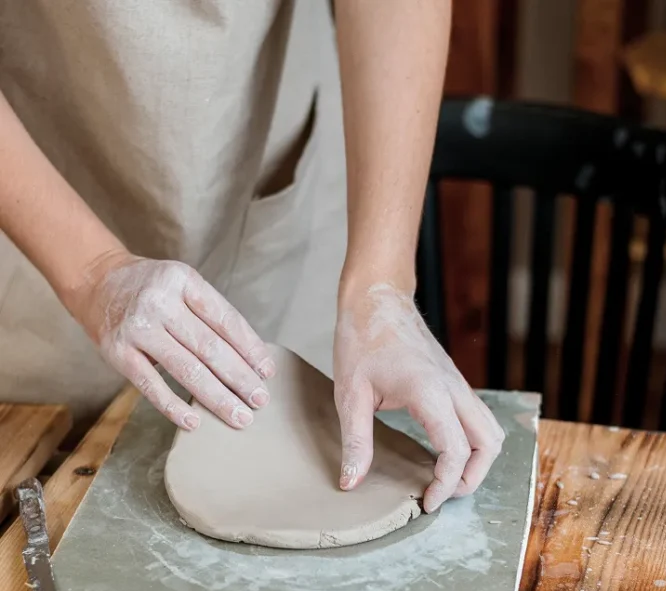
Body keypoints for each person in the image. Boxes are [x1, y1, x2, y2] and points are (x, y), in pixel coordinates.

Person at [0, 0, 503, 514]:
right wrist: (91, 272)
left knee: (309, 450)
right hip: (31, 186)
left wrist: (381, 284)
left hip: (265, 163)